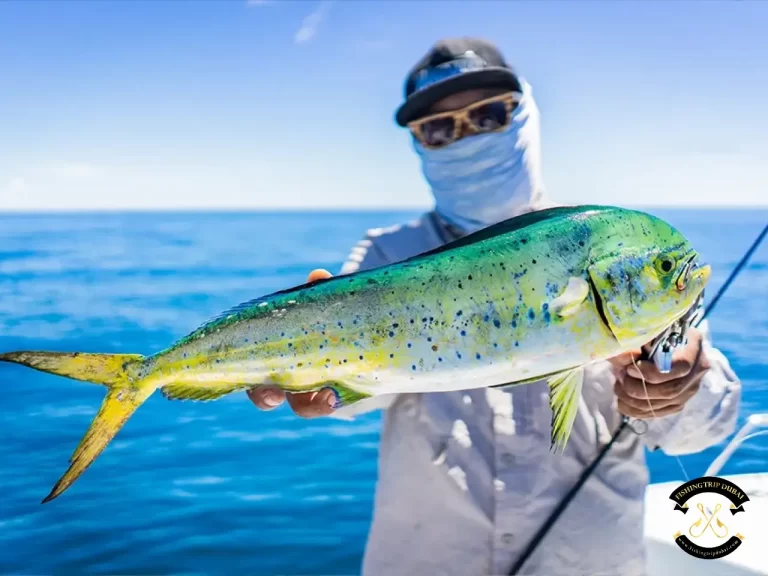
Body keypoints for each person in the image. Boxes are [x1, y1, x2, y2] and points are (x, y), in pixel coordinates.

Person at [248, 38, 742, 576]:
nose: (467, 137)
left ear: (523, 116)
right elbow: (359, 395)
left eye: (487, 115)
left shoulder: (609, 248)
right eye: (439, 129)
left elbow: (702, 431)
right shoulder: (387, 256)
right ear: (418, 143)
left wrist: (680, 383)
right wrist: (318, 380)